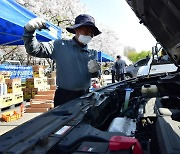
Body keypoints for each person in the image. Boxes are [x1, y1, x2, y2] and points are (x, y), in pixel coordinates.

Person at [23, 14, 101, 107]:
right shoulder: (60, 45)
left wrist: (95, 72)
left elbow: (95, 75)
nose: (89, 34)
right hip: (64, 97)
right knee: (64, 121)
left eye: (91, 32)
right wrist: (29, 32)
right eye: (86, 30)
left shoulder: (92, 53)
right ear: (76, 29)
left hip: (85, 95)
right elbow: (35, 49)